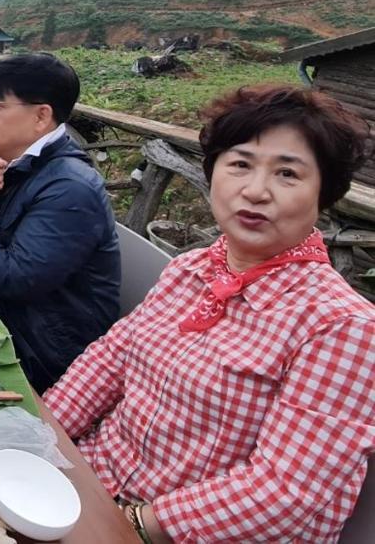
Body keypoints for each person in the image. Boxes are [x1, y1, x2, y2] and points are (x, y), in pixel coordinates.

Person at [42, 84, 375, 543]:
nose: (255, 191)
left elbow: (287, 491)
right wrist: (40, 441)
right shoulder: (191, 269)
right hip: (94, 484)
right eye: (239, 164)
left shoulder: (341, 326)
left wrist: (131, 525)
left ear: (325, 194)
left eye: (288, 175)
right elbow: (110, 361)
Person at [0, 52, 119, 392]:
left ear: (41, 116)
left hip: (38, 351)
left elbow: (16, 277)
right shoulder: (10, 158)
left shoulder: (70, 188)